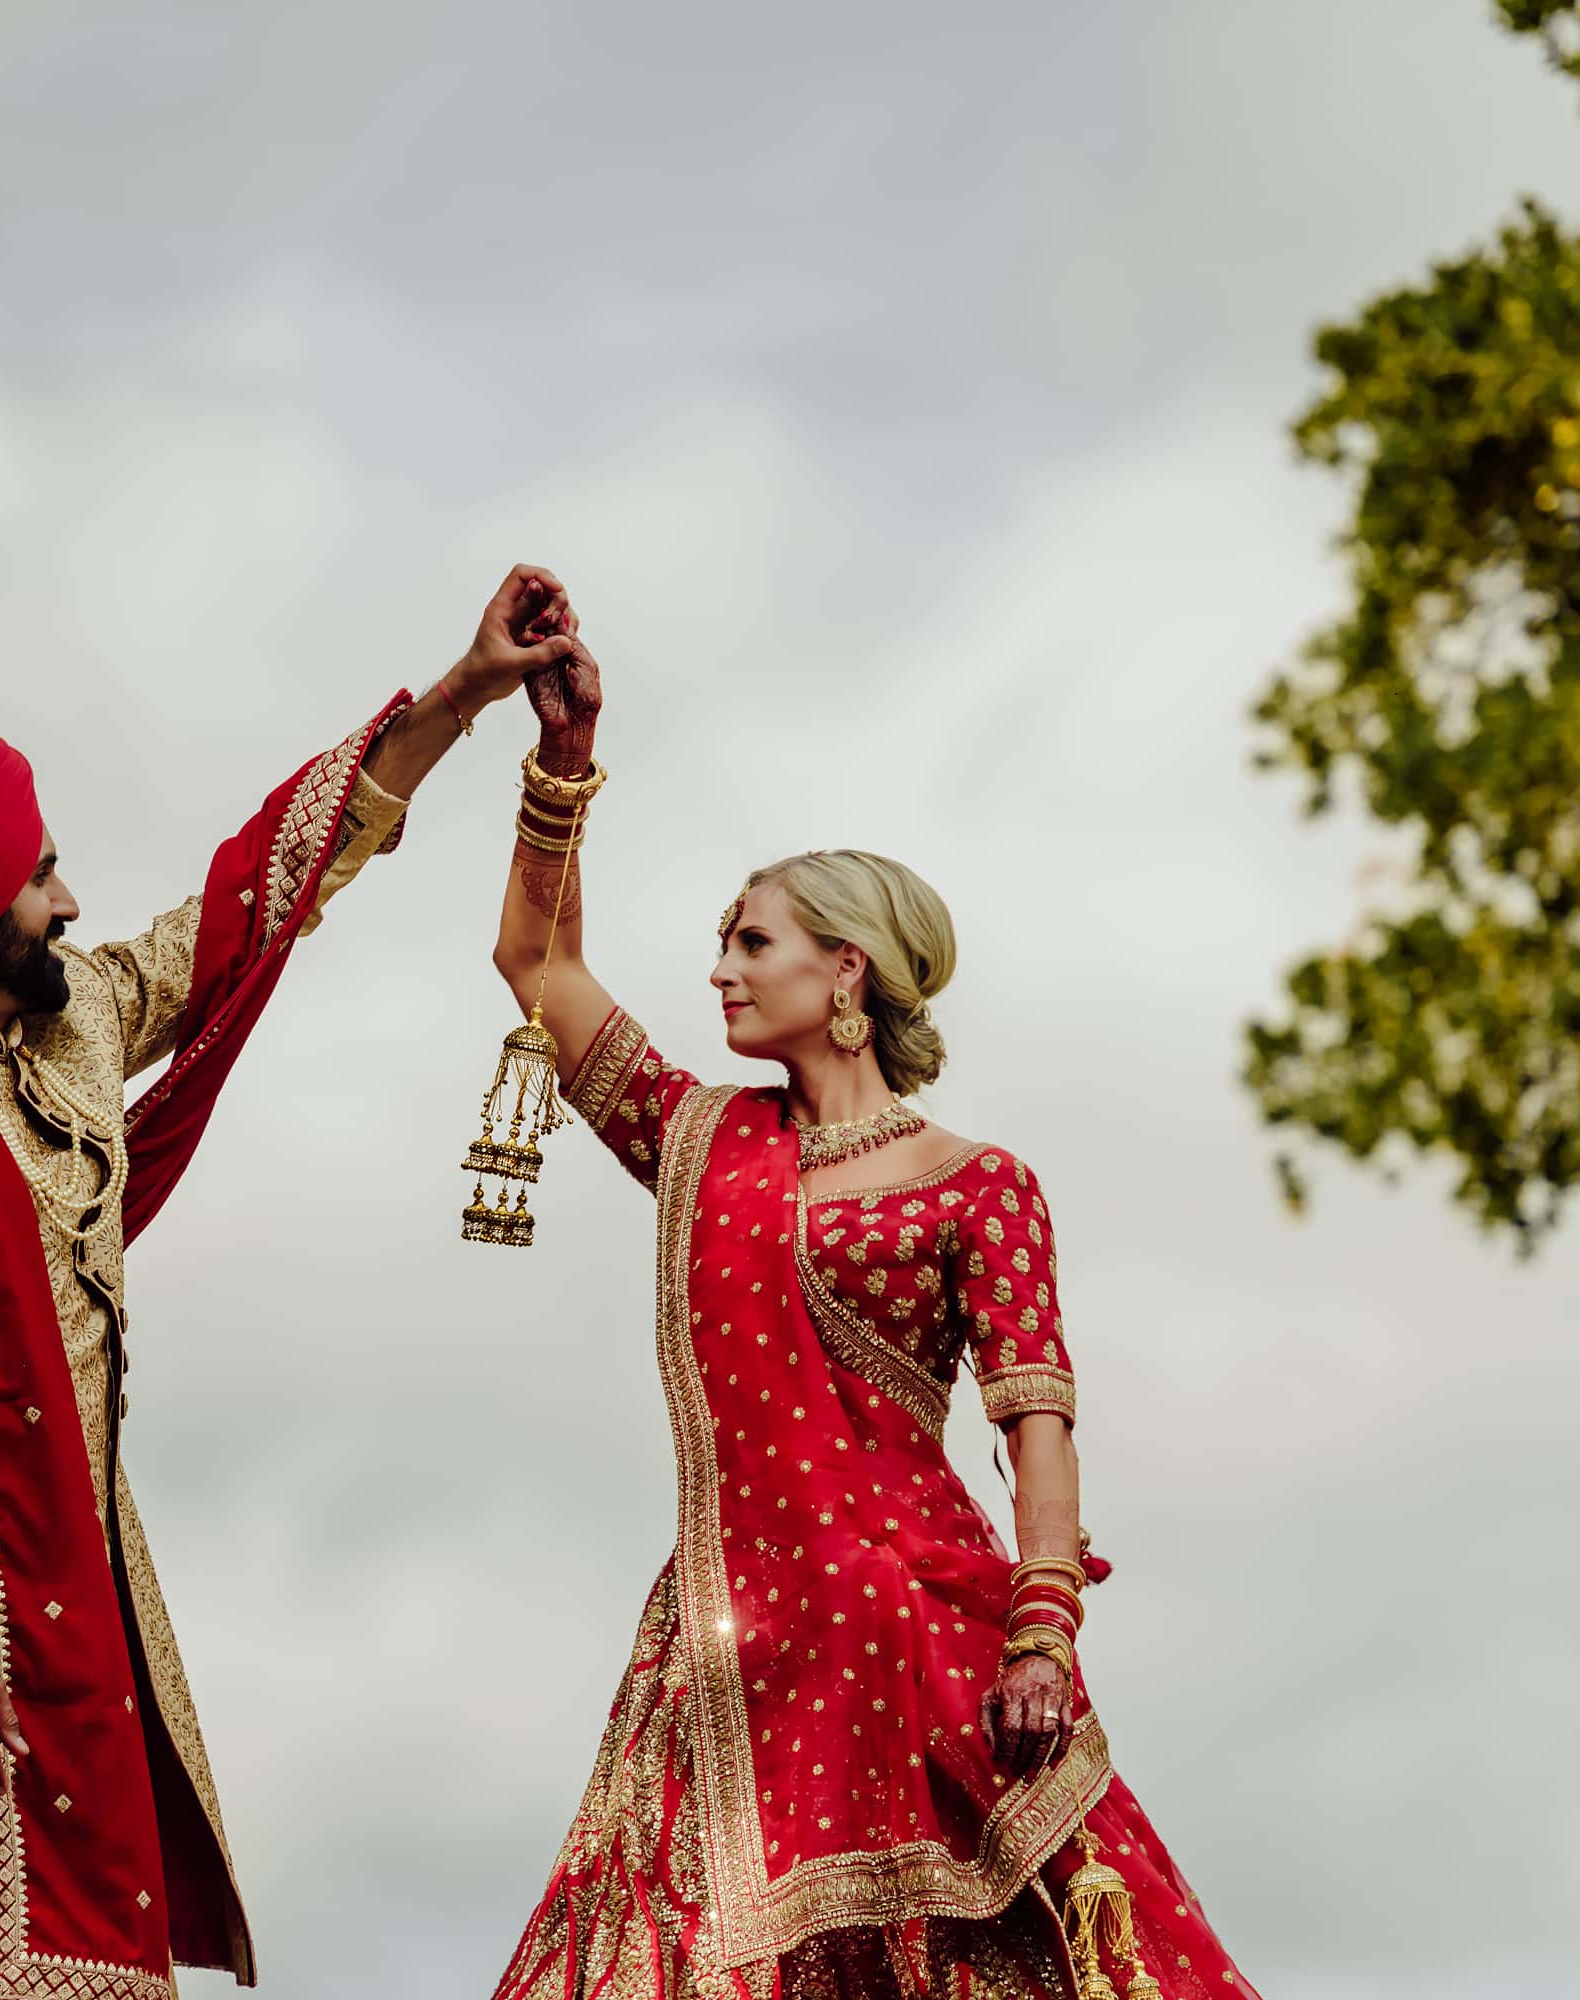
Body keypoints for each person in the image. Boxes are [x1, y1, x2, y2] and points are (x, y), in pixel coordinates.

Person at [0, 566, 577, 2000]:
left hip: (91, 1585)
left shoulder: (68, 1033)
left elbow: (256, 895)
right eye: (40, 877)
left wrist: (458, 699)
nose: (71, 903)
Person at [483, 638, 1263, 1999]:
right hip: (725, 1657)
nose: (720, 968)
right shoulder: (701, 1142)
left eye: (751, 941)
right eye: (723, 942)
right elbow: (536, 967)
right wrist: (560, 772)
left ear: (846, 974)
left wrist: (1043, 1635)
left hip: (908, 1639)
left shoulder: (981, 1187)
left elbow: (1038, 1430)